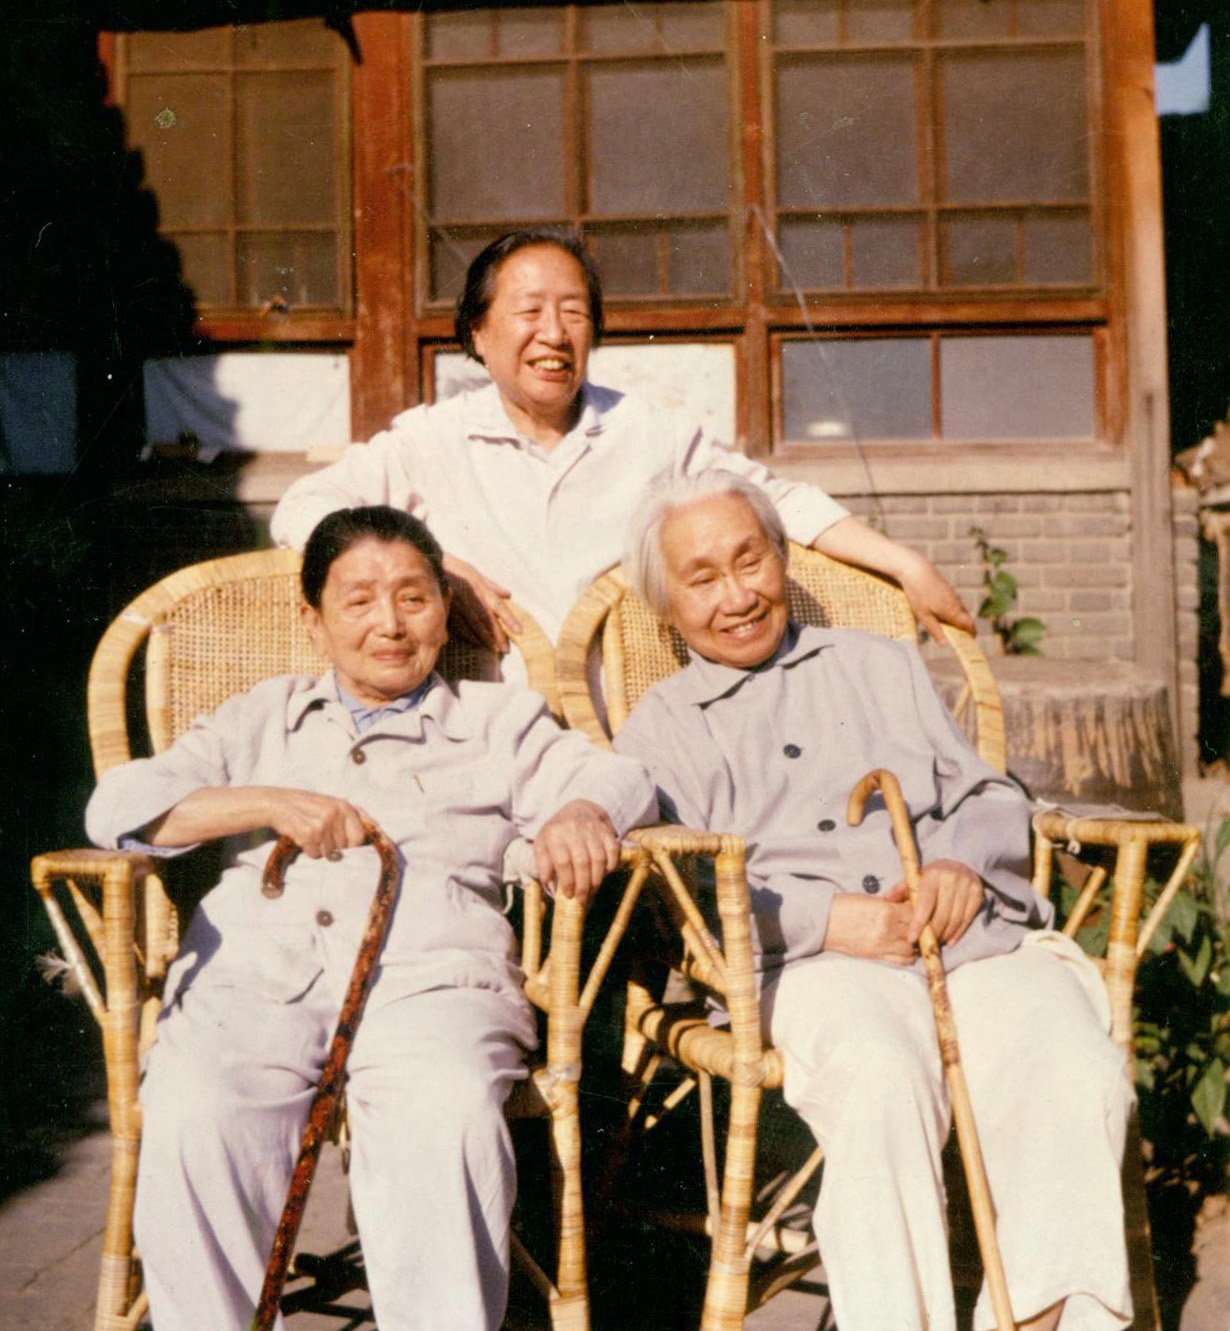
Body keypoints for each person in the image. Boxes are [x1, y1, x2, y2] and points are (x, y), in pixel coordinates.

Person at [86, 505, 656, 1331]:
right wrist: (268, 801)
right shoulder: (262, 714)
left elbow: (621, 777)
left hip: (433, 983)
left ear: (443, 612)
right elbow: (119, 806)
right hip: (253, 981)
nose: (389, 623)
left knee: (446, 1112)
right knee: (195, 1110)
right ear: (313, 621)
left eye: (413, 598)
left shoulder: (496, 719)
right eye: (358, 600)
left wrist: (578, 811)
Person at [611, 472, 1133, 1331]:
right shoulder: (664, 724)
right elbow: (680, 887)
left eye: (751, 560)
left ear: (783, 558)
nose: (737, 595)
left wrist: (962, 865)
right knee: (879, 1076)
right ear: (667, 605)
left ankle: (1041, 1320)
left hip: (962, 939)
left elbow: (985, 793)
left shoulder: (877, 663)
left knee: (1072, 1061)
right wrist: (827, 921)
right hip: (809, 965)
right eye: (702, 578)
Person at [271, 229, 972, 658]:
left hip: (631, 726)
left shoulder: (647, 430)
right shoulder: (431, 438)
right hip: (485, 730)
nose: (554, 334)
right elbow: (302, 508)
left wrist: (903, 562)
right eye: (529, 312)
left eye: (574, 313)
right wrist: (432, 565)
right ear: (477, 335)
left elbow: (773, 499)